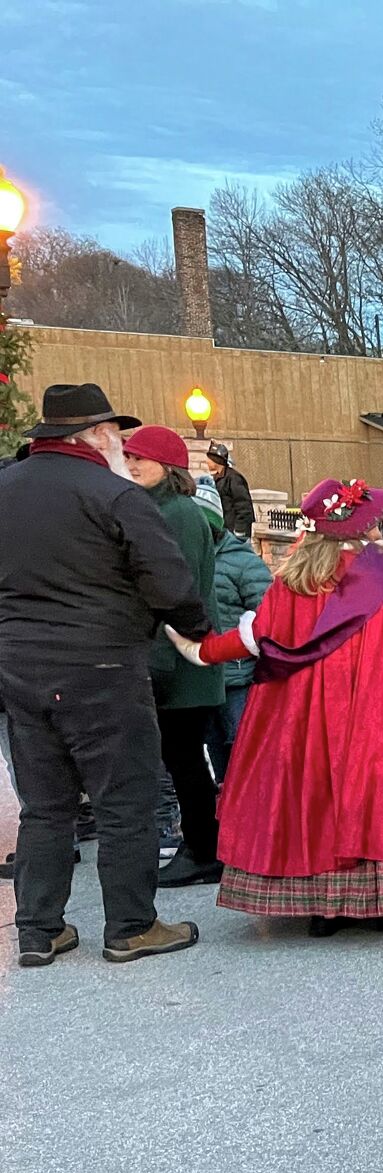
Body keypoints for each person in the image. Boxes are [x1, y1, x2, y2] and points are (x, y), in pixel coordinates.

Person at [166, 477, 383, 934]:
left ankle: (325, 909)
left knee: (315, 794)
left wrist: (200, 650)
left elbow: (256, 638)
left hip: (306, 716)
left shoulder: (294, 582)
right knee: (381, 794)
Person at [0, 383, 209, 964]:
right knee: (125, 801)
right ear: (92, 435)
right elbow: (169, 582)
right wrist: (196, 628)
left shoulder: (4, 487)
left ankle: (39, 931)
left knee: (46, 805)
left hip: (18, 664)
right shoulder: (114, 494)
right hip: (102, 664)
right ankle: (131, 926)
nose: (121, 443)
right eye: (115, 432)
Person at [122, 426, 226, 887]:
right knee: (181, 760)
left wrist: (159, 661)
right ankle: (203, 845)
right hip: (172, 658)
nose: (131, 466)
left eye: (140, 459)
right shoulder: (155, 509)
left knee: (185, 762)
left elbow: (175, 593)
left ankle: (204, 850)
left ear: (168, 465)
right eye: (127, 458)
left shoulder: (178, 513)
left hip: (182, 663)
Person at [203, 493, 273, 778]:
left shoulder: (243, 562)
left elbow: (268, 615)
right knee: (213, 746)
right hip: (202, 675)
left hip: (237, 674)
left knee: (242, 745)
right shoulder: (185, 557)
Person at [205, 443, 256, 537]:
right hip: (224, 531)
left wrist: (240, 531)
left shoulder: (234, 478)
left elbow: (243, 506)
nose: (207, 461)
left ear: (216, 460)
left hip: (234, 532)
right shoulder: (217, 478)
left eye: (209, 458)